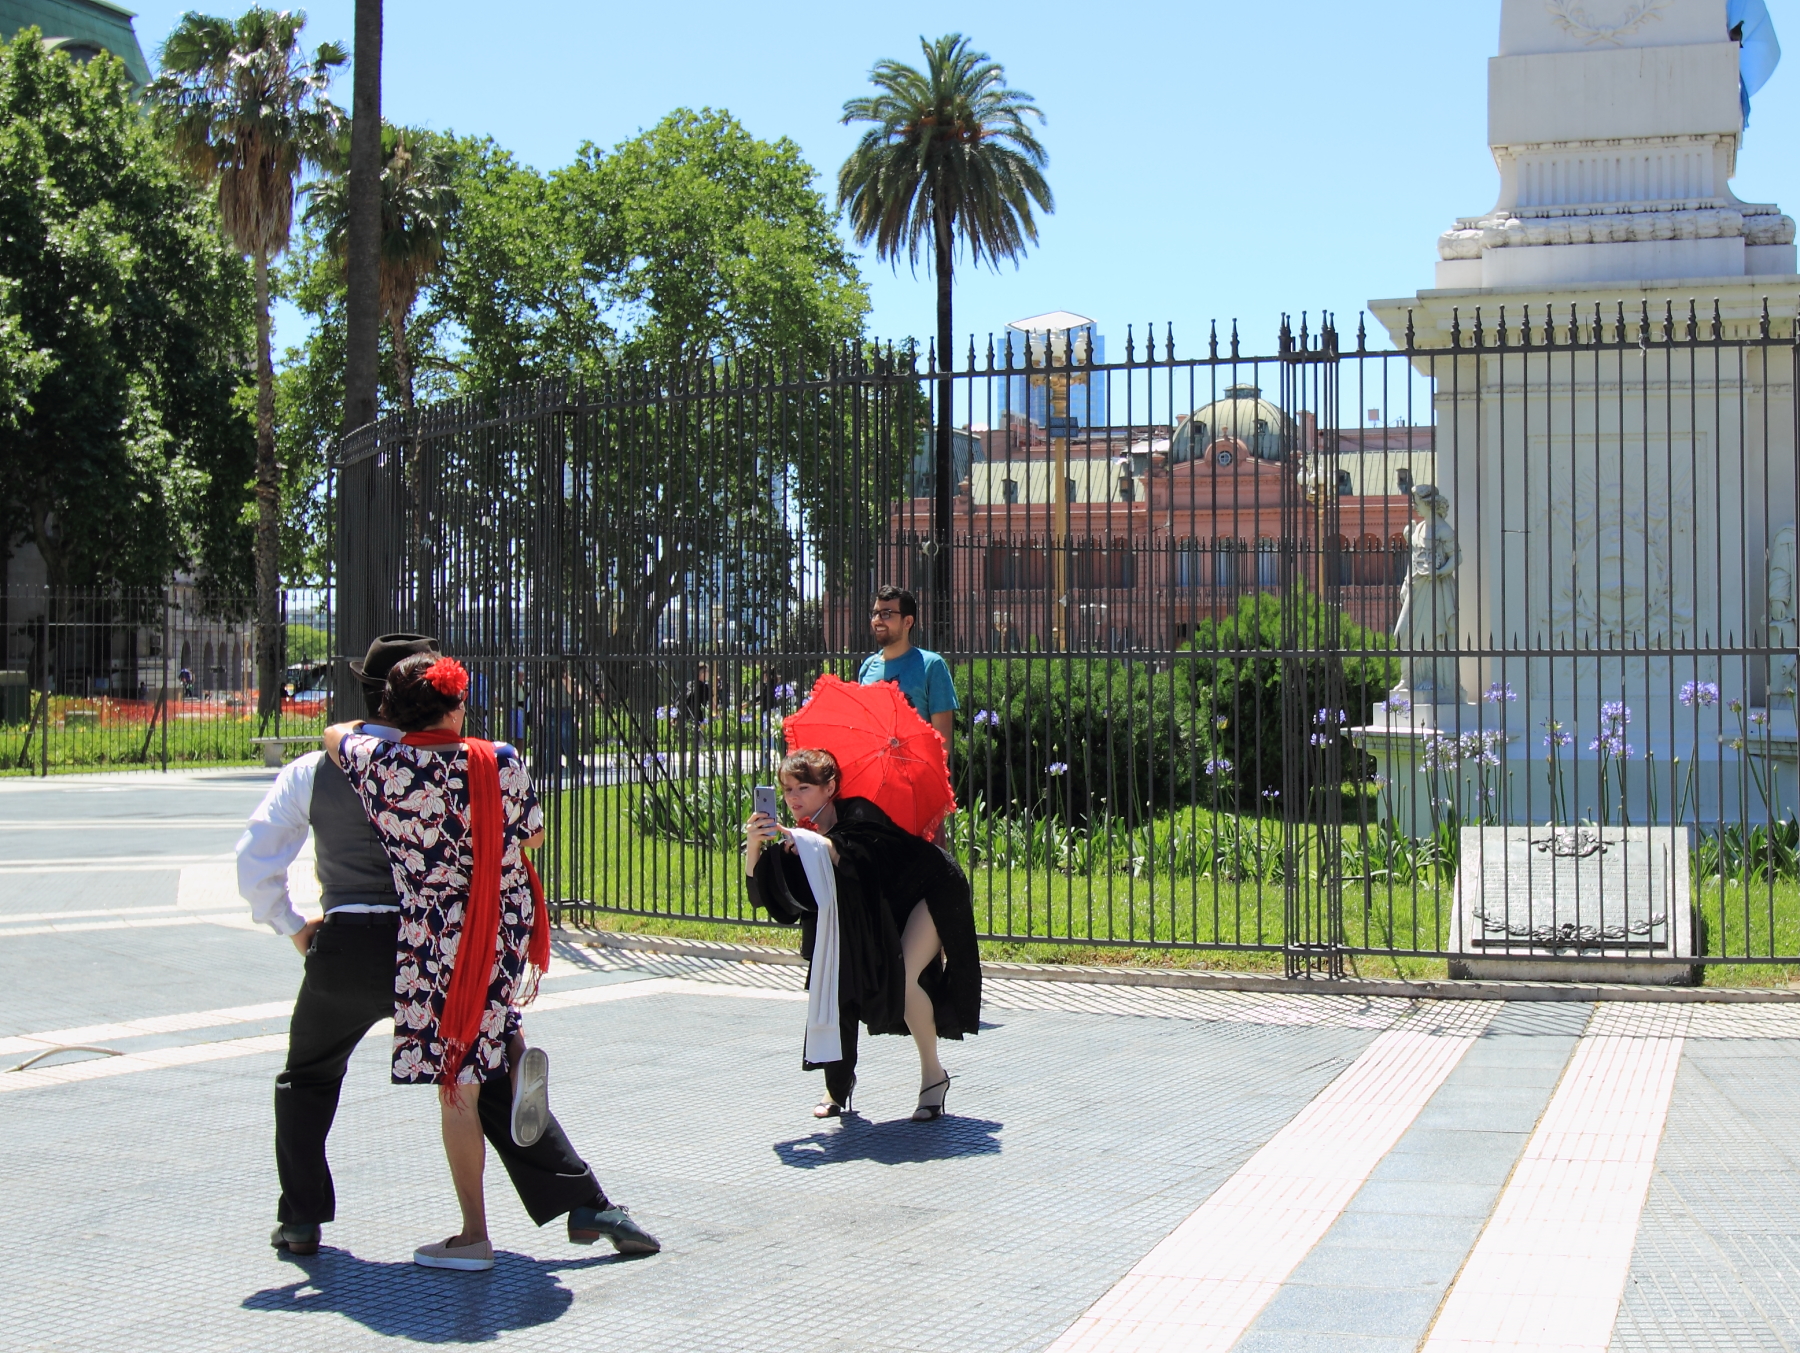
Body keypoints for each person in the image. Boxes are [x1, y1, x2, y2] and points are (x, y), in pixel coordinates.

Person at [241, 636, 657, 1269]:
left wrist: (296, 928)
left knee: (308, 1075)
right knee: (480, 1073)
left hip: (351, 943)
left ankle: (299, 1219)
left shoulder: (331, 766)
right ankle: (584, 1204)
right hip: (454, 946)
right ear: (449, 699)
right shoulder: (487, 761)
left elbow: (256, 862)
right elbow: (530, 837)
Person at [744, 748, 980, 1121]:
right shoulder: (801, 834)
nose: (792, 798)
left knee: (901, 981)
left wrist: (811, 844)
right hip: (878, 907)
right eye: (786, 789)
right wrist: (755, 846)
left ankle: (934, 1076)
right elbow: (763, 895)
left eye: (803, 787)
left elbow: (855, 857)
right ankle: (837, 1087)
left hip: (930, 888)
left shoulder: (859, 814)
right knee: (837, 981)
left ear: (830, 788)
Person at [859, 587, 958, 749]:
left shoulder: (931, 665)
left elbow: (942, 740)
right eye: (875, 613)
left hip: (917, 771)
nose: (877, 620)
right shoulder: (867, 667)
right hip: (876, 770)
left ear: (908, 622)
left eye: (886, 614)